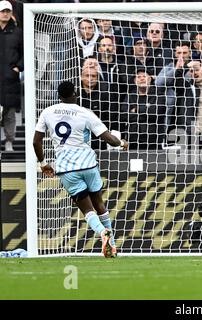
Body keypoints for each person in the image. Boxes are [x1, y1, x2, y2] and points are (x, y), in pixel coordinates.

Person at [33, 81, 129, 258]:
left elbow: (36, 141)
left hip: (67, 168)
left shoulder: (47, 112)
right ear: (75, 94)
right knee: (100, 204)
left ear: (59, 96)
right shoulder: (85, 113)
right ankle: (113, 247)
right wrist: (122, 143)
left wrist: (43, 163)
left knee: (87, 210)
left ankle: (102, 233)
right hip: (88, 164)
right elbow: (109, 138)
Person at [120, 68, 167, 150]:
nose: (142, 78)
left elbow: (155, 113)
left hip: (154, 140)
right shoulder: (130, 96)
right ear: (135, 81)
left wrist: (136, 110)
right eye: (138, 77)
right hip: (133, 140)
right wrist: (147, 111)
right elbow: (124, 116)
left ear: (150, 79)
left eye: (144, 76)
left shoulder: (159, 95)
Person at [0, 0, 23, 152]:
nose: (5, 13)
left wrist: (18, 67)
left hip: (10, 78)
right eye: (3, 11)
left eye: (8, 11)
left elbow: (25, 53)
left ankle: (9, 141)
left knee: (9, 113)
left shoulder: (18, 32)